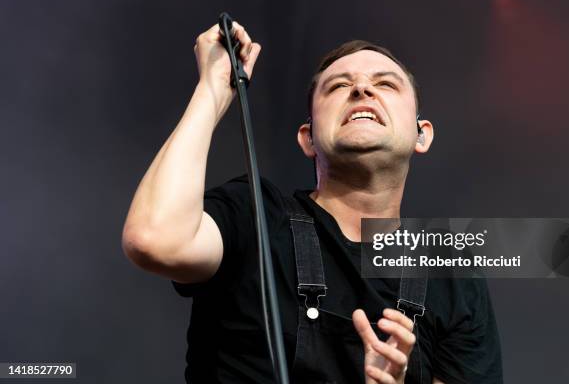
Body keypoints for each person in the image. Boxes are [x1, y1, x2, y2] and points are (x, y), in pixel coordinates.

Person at [122, 21, 503, 384]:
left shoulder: (452, 276)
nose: (361, 90)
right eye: (338, 86)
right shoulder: (255, 215)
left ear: (422, 135)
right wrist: (213, 90)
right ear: (307, 138)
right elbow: (154, 239)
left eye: (385, 83)